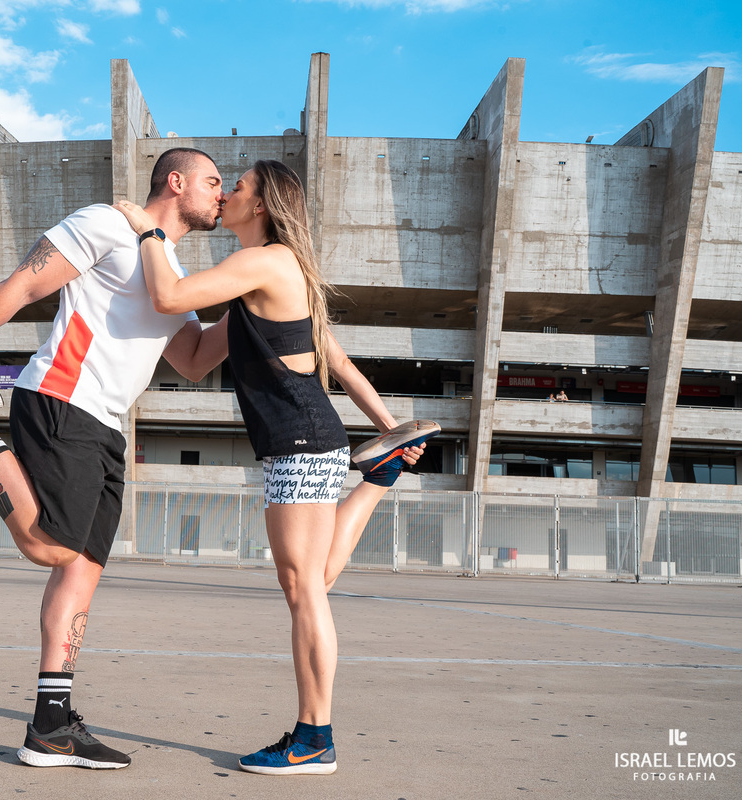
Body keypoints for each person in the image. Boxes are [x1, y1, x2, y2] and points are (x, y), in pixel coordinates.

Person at [114, 159, 438, 776]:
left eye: (236, 186)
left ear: (260, 204)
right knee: (310, 581)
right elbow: (194, 357)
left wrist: (148, 232)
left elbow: (169, 293)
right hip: (305, 436)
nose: (226, 193)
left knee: (304, 588)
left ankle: (314, 738)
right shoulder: (262, 281)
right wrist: (389, 428)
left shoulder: (262, 261)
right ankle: (379, 475)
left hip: (298, 438)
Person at [0, 148, 229, 770]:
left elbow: (191, 360)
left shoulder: (168, 267)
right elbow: (24, 283)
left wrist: (251, 308)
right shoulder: (108, 224)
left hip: (106, 428)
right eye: (213, 182)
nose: (220, 194)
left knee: (80, 573)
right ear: (177, 180)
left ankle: (51, 728)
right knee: (48, 545)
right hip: (61, 398)